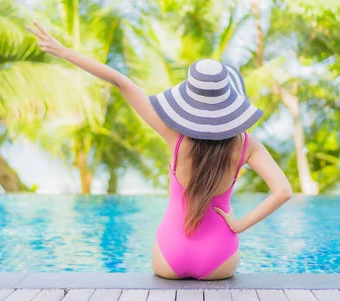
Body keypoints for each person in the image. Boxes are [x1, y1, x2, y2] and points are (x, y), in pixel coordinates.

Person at [26, 22, 293, 280]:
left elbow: (121, 82)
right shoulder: (247, 144)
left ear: (191, 99)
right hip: (219, 261)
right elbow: (283, 191)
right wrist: (239, 225)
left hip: (170, 258)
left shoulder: (174, 136)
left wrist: (65, 52)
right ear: (230, 100)